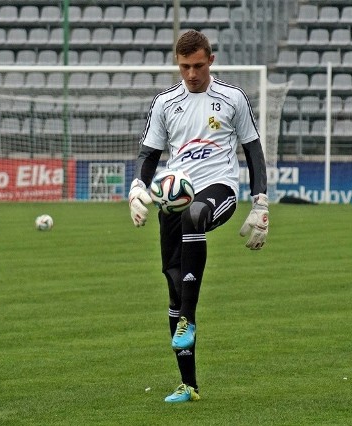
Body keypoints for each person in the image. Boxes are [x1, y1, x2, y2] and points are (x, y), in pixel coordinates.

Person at [128, 30, 269, 403]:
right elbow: (148, 155)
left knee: (195, 214)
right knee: (173, 284)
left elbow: (253, 150)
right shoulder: (165, 103)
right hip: (173, 196)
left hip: (219, 190)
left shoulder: (232, 98)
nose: (191, 74)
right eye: (184, 66)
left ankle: (188, 321)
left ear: (211, 60)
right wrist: (136, 191)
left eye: (198, 65)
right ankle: (188, 385)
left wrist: (261, 203)